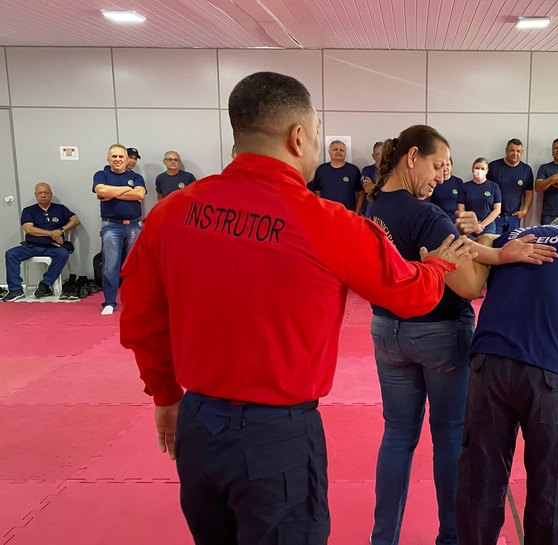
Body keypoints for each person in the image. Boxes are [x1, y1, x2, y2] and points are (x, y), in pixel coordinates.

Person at [119, 72, 476, 545]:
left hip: (198, 431)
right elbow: (410, 293)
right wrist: (436, 266)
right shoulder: (327, 223)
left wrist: (165, 395)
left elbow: (141, 317)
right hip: (276, 440)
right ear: (298, 137)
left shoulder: (172, 212)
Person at [366, 126, 557, 545]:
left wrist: (472, 240)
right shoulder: (425, 216)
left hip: (386, 331)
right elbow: (469, 284)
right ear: (412, 156)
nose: (441, 175)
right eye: (437, 165)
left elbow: (450, 250)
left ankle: (383, 539)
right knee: (450, 434)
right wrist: (492, 244)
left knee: (397, 436)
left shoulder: (375, 206)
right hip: (437, 334)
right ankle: (450, 538)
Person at [456, 215, 558, 545]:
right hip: (553, 373)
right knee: (553, 488)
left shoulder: (511, 237)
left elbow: (471, 279)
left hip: (489, 363)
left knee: (480, 479)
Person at [3, 182, 79, 302]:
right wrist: (51, 233)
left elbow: (75, 220)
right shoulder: (29, 210)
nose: (43, 195)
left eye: (46, 192)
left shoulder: (60, 208)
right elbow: (29, 229)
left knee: (63, 253)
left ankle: (45, 284)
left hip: (53, 247)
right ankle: (15, 290)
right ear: (36, 195)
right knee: (11, 254)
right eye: (40, 193)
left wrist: (61, 230)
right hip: (32, 246)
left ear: (51, 194)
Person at [93, 144, 146, 316]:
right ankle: (109, 302)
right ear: (108, 159)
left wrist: (111, 193)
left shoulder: (136, 177)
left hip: (134, 225)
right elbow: (101, 191)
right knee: (110, 266)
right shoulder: (101, 175)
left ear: (126, 159)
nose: (117, 160)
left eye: (120, 157)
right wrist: (127, 190)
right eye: (114, 156)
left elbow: (139, 195)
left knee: (134, 266)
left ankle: (133, 301)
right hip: (111, 226)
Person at [487, 139, 534, 233]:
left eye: (518, 151)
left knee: (512, 244)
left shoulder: (526, 170)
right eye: (512, 150)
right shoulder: (493, 167)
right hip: (495, 216)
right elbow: (485, 190)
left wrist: (524, 211)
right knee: (495, 244)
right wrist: (490, 211)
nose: (515, 153)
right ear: (506, 150)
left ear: (522, 152)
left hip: (514, 217)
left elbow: (528, 193)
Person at [312, 140, 365, 214]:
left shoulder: (353, 170)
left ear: (345, 154)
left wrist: (357, 212)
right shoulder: (321, 169)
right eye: (335, 149)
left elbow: (361, 193)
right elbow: (317, 192)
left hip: (347, 215)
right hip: (326, 214)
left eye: (341, 150)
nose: (338, 152)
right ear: (329, 152)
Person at [458, 158, 501, 237]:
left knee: (487, 248)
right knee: (469, 248)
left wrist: (482, 225)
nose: (479, 171)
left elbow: (497, 210)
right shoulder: (464, 187)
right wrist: (474, 224)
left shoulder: (494, 186)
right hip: (469, 226)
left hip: (488, 226)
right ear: (472, 169)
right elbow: (461, 209)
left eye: (482, 169)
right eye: (477, 168)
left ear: (487, 170)